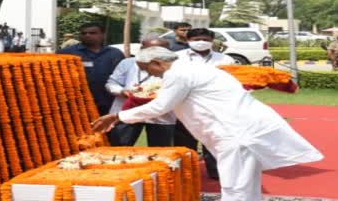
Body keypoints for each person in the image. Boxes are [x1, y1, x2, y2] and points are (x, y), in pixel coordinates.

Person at [92, 47, 323, 201]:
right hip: (239, 128)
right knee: (245, 183)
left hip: (235, 132)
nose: (154, 76)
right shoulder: (195, 67)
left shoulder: (178, 74)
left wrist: (116, 116)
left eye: (148, 70)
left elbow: (159, 107)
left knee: (235, 186)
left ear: (157, 63)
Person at [175, 27, 235, 178]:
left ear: (212, 41)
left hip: (215, 106)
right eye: (196, 40)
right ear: (188, 41)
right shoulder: (176, 57)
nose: (201, 42)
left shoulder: (224, 59)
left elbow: (234, 80)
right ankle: (186, 171)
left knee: (214, 139)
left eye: (206, 40)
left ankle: (216, 172)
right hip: (186, 105)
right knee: (185, 140)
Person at [105, 32, 176, 147]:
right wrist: (121, 91)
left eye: (161, 50)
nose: (156, 53)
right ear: (142, 49)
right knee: (120, 147)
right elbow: (112, 83)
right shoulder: (127, 63)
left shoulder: (175, 67)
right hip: (127, 110)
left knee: (160, 150)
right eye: (151, 49)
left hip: (160, 115)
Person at [58, 23, 124, 115]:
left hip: (107, 102)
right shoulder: (66, 53)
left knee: (107, 128)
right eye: (84, 33)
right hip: (77, 103)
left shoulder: (115, 53)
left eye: (92, 33)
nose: (87, 35)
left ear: (103, 35)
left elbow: (122, 76)